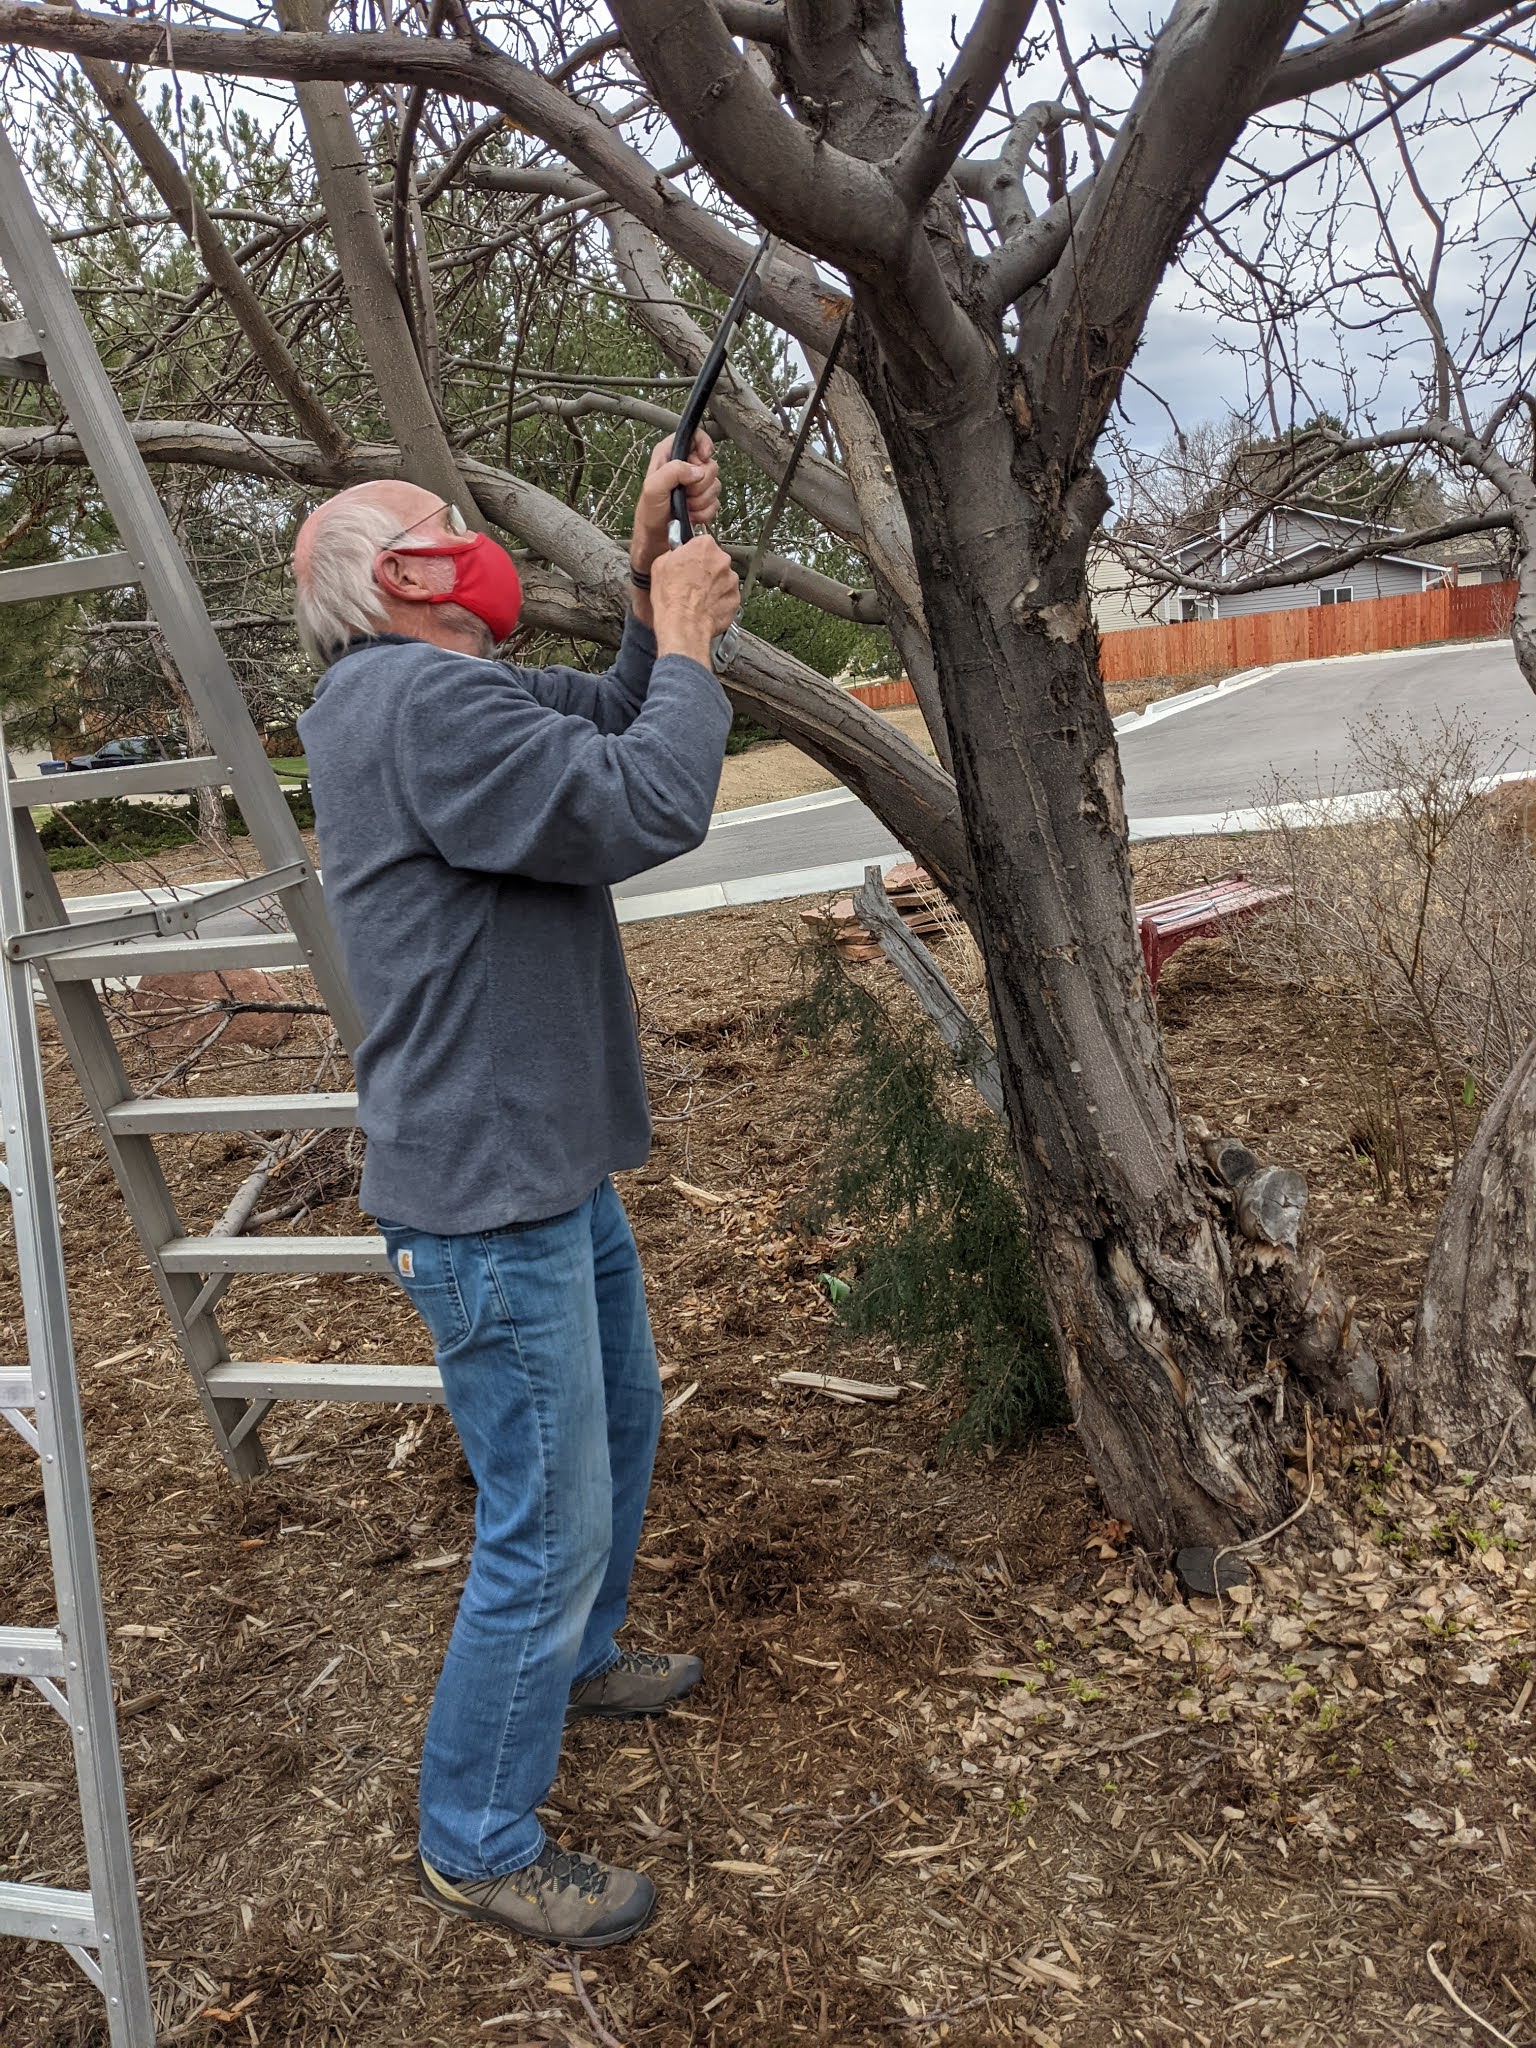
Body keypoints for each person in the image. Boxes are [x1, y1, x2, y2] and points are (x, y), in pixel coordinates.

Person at [291, 436, 739, 1949]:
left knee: (617, 1427)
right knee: (542, 1522)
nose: (472, 539)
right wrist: (687, 635)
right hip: (492, 1195)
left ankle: (578, 1658)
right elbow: (644, 802)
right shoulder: (413, 703)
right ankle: (477, 1837)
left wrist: (639, 586)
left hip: (534, 1168)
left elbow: (610, 729)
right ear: (402, 578)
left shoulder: (434, 699)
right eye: (446, 528)